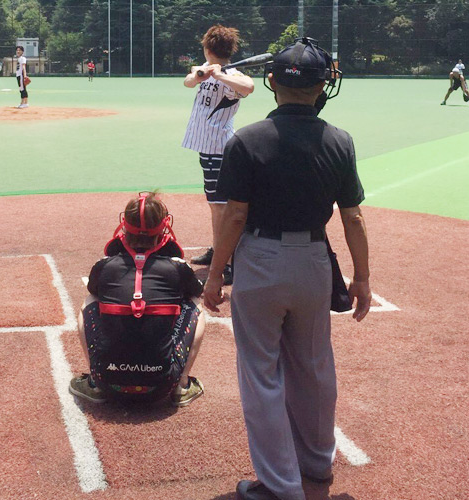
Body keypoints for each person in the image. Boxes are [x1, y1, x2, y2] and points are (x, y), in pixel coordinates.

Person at [202, 38, 372, 500]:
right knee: (314, 366)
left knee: (261, 372)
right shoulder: (339, 140)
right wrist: (361, 277)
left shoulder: (246, 139)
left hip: (260, 261)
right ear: (322, 87)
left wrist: (216, 274)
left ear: (272, 81)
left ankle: (279, 485)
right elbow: (353, 217)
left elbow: (234, 216)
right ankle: (316, 464)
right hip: (314, 262)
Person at [69, 192, 206, 407]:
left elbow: (94, 289)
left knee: (90, 300)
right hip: (162, 384)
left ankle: (95, 383)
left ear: (124, 225)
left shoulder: (104, 266)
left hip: (109, 381)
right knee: (194, 305)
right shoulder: (177, 267)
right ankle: (182, 385)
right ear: (164, 226)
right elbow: (197, 291)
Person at [182, 24, 254, 286]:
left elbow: (249, 87)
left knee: (220, 207)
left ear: (208, 48)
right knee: (215, 204)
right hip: (207, 147)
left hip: (219, 148)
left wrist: (220, 75)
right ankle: (217, 250)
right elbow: (189, 81)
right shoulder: (205, 68)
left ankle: (228, 261)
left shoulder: (232, 75)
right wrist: (201, 74)